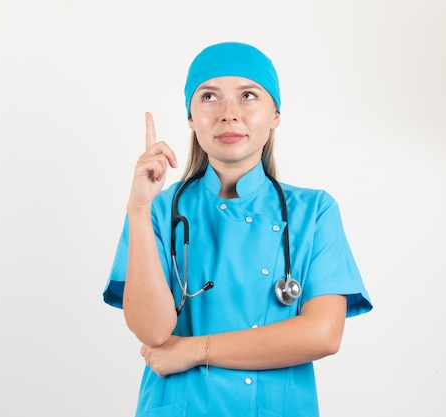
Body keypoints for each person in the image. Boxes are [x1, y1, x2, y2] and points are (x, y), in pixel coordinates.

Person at [103, 41, 373, 417]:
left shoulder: (314, 211)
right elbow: (152, 332)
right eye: (210, 97)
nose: (229, 114)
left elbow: (323, 334)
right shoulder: (159, 210)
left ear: (275, 114)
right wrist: (138, 207)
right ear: (191, 118)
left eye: (248, 95)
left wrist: (194, 350)